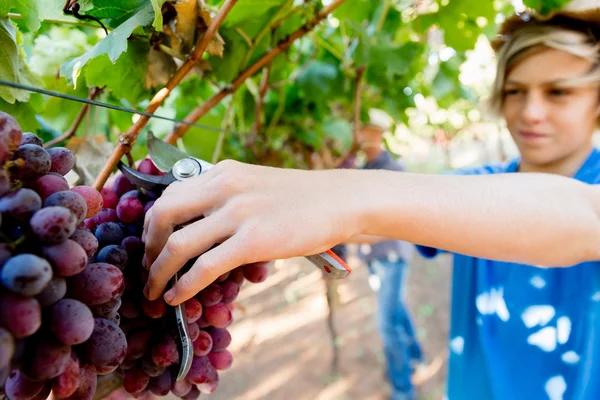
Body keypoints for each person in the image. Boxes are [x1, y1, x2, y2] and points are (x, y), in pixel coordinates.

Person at [142, 2, 600, 399]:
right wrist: (287, 202)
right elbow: (381, 217)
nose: (531, 111)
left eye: (558, 92)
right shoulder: (483, 181)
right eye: (515, 92)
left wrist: (349, 194)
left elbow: (583, 216)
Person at [347, 122, 424, 400]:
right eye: (359, 131)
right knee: (396, 310)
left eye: (367, 131)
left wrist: (339, 236)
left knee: (386, 324)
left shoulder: (392, 171)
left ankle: (403, 391)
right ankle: (415, 354)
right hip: (375, 259)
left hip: (391, 256)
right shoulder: (362, 172)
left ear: (378, 135)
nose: (361, 136)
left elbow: (389, 226)